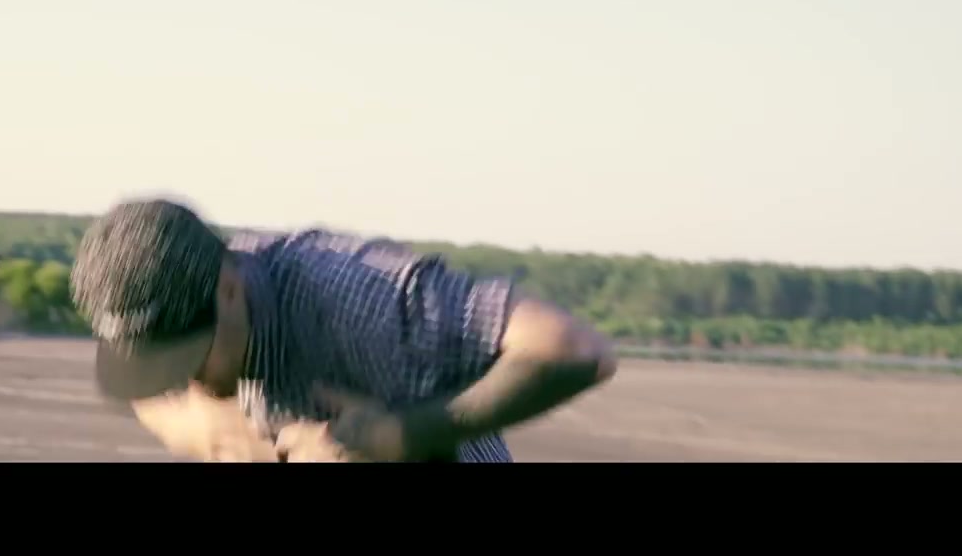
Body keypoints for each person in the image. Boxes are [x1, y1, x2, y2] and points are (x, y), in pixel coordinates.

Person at [70, 198, 618, 462]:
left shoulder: (358, 294)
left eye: (190, 359)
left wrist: (394, 437)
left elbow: (572, 349)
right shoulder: (170, 303)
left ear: (229, 289)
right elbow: (157, 404)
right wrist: (239, 441)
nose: (184, 381)